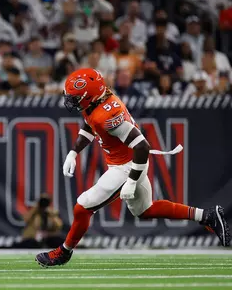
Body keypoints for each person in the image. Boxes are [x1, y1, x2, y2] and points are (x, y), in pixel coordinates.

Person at [35, 68, 230, 267]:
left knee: (82, 208)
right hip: (126, 162)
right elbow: (90, 124)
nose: (71, 102)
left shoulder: (107, 113)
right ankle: (207, 216)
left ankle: (63, 252)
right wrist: (74, 152)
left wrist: (132, 180)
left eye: (76, 98)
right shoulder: (96, 101)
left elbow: (142, 146)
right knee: (146, 209)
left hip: (127, 166)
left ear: (90, 96)